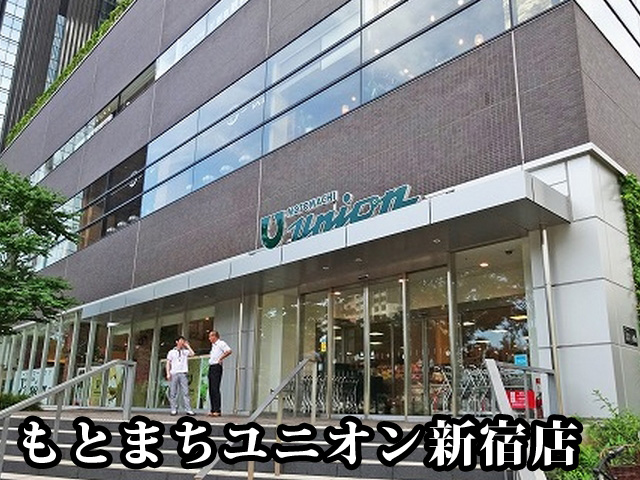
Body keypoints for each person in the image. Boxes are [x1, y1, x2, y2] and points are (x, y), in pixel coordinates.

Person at [166, 335, 195, 416]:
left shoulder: (185, 352)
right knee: (173, 392)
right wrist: (168, 373)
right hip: (174, 373)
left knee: (186, 392)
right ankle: (173, 409)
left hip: (183, 373)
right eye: (181, 340)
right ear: (177, 342)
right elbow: (168, 363)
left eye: (183, 341)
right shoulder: (171, 352)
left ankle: (188, 409)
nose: (182, 342)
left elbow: (192, 354)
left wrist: (187, 346)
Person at [207, 330, 232, 417]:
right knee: (211, 388)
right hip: (211, 366)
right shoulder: (213, 346)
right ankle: (213, 409)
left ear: (215, 336)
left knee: (215, 388)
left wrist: (220, 358)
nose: (209, 338)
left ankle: (217, 410)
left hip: (216, 366)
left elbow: (228, 351)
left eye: (210, 336)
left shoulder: (221, 343)